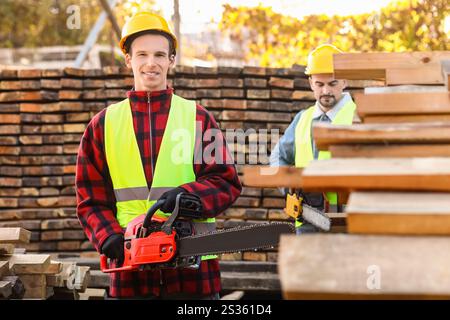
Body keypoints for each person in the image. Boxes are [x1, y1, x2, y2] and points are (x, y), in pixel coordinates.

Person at [75, 12, 242, 299]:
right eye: (141, 54)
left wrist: (187, 197)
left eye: (159, 55)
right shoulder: (102, 125)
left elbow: (225, 182)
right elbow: (90, 199)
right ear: (128, 59)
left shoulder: (198, 118)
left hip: (193, 273)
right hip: (131, 273)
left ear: (171, 60)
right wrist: (109, 237)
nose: (150, 63)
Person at [270, 44, 356, 234]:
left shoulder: (358, 117)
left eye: (332, 84)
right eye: (320, 84)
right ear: (311, 84)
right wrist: (288, 187)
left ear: (344, 81)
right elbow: (278, 157)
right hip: (308, 219)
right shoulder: (303, 119)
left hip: (346, 220)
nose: (326, 90)